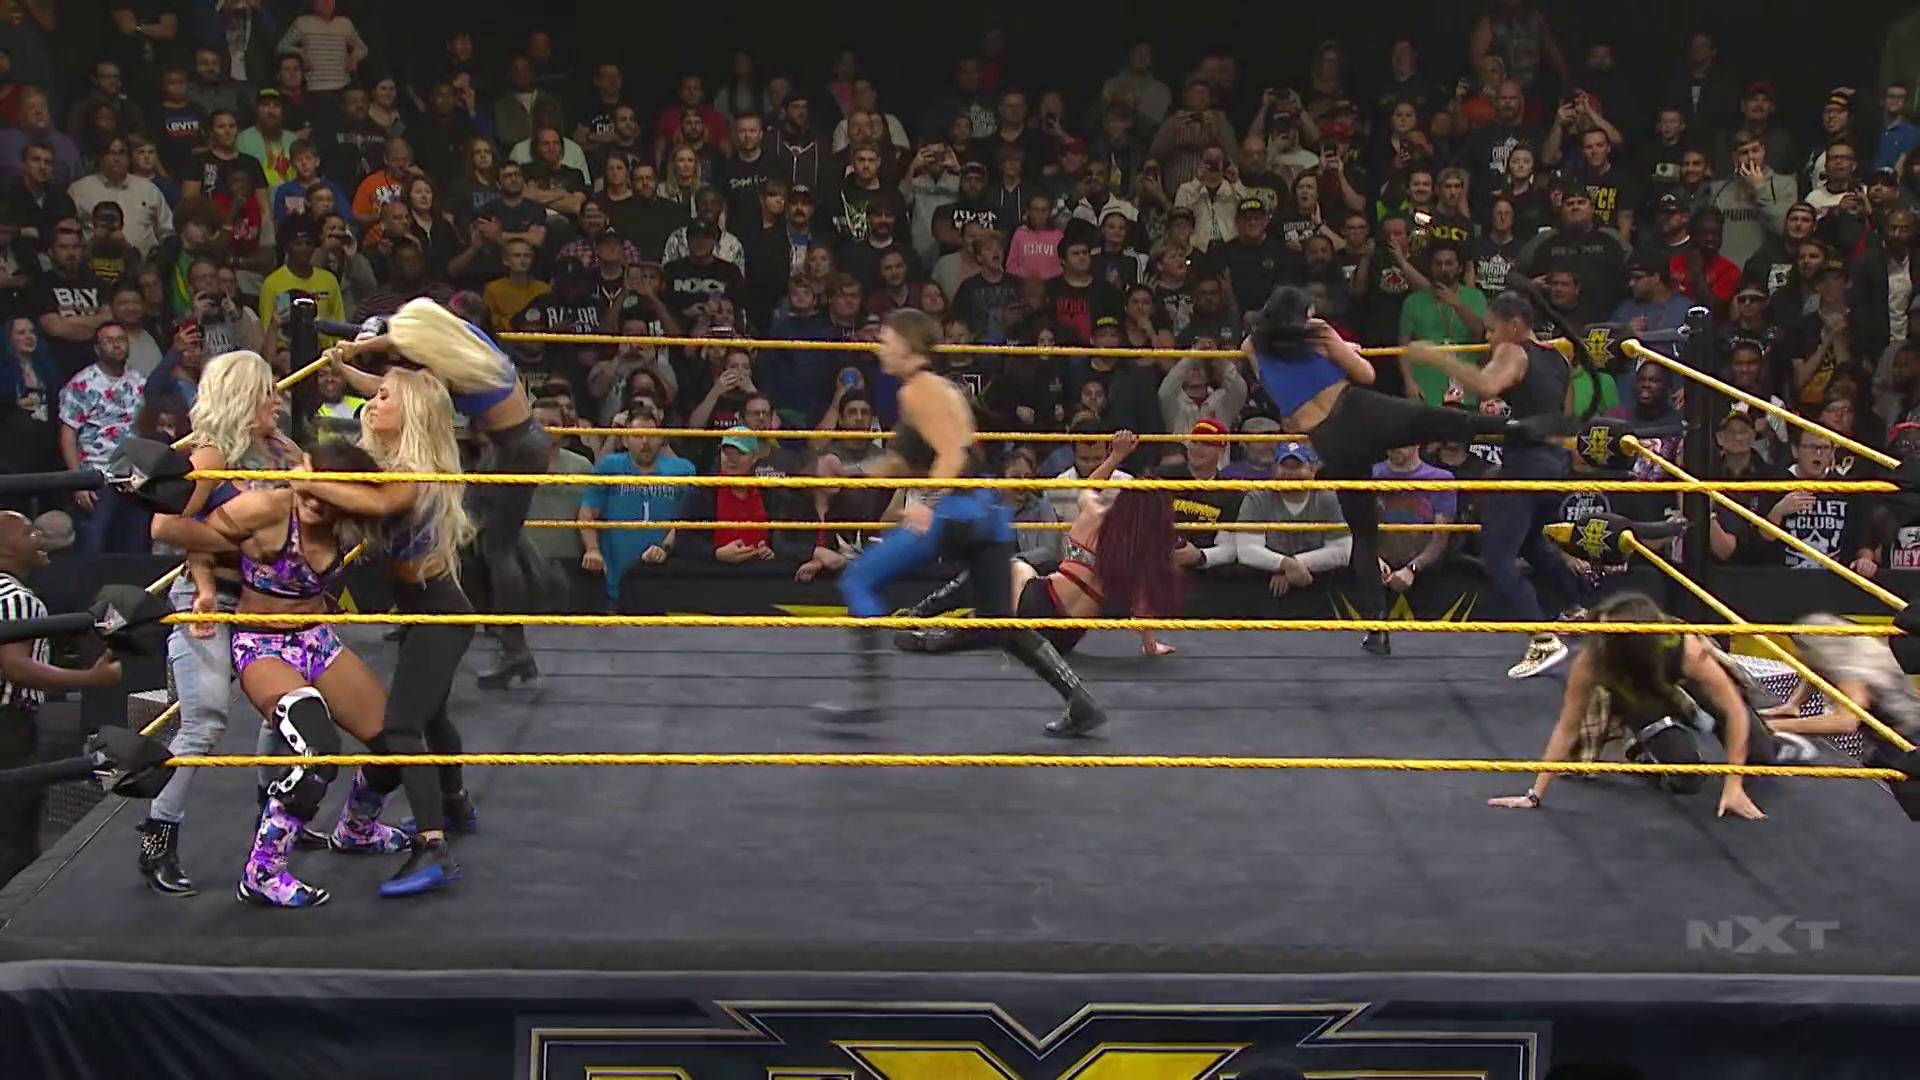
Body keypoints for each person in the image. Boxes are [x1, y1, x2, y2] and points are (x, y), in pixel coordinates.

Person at [814, 308, 1107, 737]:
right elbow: (902, 461)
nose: (880, 347)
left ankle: (868, 699)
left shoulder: (920, 392)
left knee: (859, 578)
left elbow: (952, 453)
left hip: (958, 512)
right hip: (987, 513)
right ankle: (1080, 701)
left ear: (910, 346)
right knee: (999, 621)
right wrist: (850, 473)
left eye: (888, 339)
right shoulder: (932, 391)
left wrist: (927, 502)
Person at [1246, 285, 1567, 656]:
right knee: (1438, 420)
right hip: (1357, 411)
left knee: (1363, 533)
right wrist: (1342, 351)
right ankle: (1522, 429)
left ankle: (1376, 629)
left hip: (1328, 440)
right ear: (1302, 315)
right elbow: (1366, 373)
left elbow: (1267, 367)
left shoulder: (1255, 345)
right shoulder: (1317, 332)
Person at [157, 442, 410, 908]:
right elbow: (195, 539)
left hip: (318, 640)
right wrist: (206, 590)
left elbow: (400, 492)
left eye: (325, 494)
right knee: (319, 751)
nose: (312, 501)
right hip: (262, 645)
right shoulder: (267, 508)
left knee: (396, 742)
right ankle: (262, 872)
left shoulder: (354, 522)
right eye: (307, 490)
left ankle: (357, 828)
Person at [289, 365, 476, 896]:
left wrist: (305, 480)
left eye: (385, 397)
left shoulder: (415, 472)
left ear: (410, 412)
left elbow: (375, 504)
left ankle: (433, 848)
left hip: (440, 611)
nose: (371, 403)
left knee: (401, 728)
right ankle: (455, 804)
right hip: (422, 607)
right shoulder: (388, 464)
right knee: (432, 715)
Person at [136, 351, 302, 896]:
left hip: (268, 599)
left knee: (286, 709)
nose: (277, 399)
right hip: (211, 597)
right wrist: (216, 568)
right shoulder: (210, 453)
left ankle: (273, 820)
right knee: (204, 722)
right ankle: (158, 838)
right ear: (243, 396)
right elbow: (169, 525)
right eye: (267, 391)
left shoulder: (281, 450)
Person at [326, 298, 553, 688]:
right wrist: (359, 347)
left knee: (496, 548)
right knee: (471, 537)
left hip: (514, 449)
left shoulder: (445, 367)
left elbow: (393, 391)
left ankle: (513, 648)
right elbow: (401, 340)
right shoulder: (467, 338)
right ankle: (429, 615)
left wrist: (344, 366)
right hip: (515, 445)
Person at [1486, 592, 1812, 820]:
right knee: (1686, 780)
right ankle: (1643, 747)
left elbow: (1734, 709)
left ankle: (1768, 740)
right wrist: (1534, 794)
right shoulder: (1594, 659)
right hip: (1639, 693)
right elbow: (1567, 726)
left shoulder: (1685, 647)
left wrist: (1733, 785)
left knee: (1760, 759)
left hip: (1682, 678)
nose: (1602, 640)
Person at [1406, 290, 1589, 678]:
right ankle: (1575, 608)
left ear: (1515, 325)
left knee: (1497, 557)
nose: (1487, 339)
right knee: (1531, 542)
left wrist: (1437, 357)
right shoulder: (1558, 358)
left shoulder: (1514, 351)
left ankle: (1543, 640)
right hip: (1555, 466)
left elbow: (1486, 386)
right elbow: (1565, 415)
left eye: (1491, 330)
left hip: (1527, 468)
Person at [895, 430, 1178, 660]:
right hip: (1065, 638)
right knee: (1015, 588)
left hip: (1041, 603)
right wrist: (1151, 646)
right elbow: (1142, 606)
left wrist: (1116, 456)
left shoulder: (1096, 517)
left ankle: (926, 614)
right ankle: (957, 628)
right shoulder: (1141, 554)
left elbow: (1089, 488)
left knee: (1007, 568)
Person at [0, 510, 123, 883]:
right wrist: (92, 678)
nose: (40, 538)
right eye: (29, 532)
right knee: (13, 831)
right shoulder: (16, 598)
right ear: (5, 547)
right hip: (8, 728)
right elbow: (16, 667)